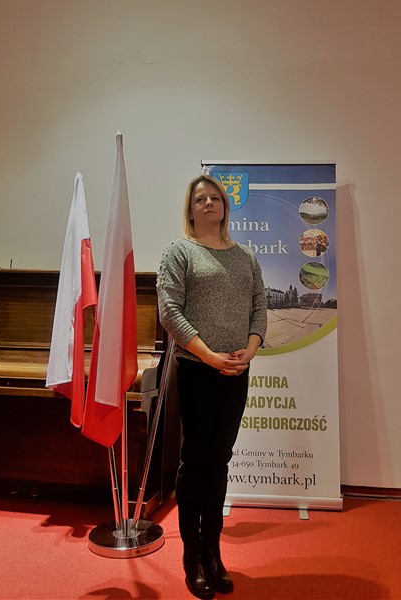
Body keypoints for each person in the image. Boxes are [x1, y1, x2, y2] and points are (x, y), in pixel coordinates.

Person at [157, 174, 267, 599]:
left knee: (220, 460)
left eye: (215, 198)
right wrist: (209, 356)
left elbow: (260, 306)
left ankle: (213, 551)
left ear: (225, 205)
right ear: (190, 208)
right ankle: (192, 556)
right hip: (197, 370)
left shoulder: (246, 256)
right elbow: (170, 311)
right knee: (195, 462)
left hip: (235, 373)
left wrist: (249, 351)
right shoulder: (179, 251)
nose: (208, 203)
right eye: (200, 199)